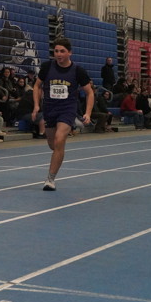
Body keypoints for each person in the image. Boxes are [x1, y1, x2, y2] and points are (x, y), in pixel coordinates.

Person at [32, 37, 94, 191]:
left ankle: (50, 179)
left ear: (69, 53)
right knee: (53, 145)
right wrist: (36, 106)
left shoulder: (78, 71)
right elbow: (37, 86)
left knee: (59, 140)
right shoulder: (47, 67)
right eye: (56, 51)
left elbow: (89, 93)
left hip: (67, 109)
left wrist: (88, 113)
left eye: (62, 51)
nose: (59, 54)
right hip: (50, 109)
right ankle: (60, 148)